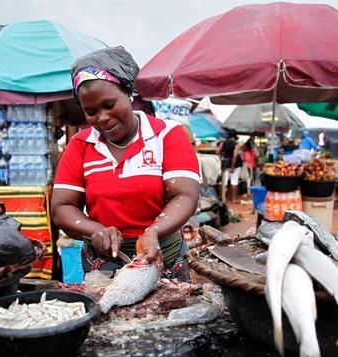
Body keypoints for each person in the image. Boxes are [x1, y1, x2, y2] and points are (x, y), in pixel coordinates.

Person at [50, 46, 200, 280]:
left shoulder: (166, 135)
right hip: (103, 265)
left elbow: (185, 195)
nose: (102, 118)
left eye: (109, 105)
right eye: (91, 112)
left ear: (129, 93)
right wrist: (95, 230)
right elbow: (61, 208)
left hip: (163, 258)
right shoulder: (80, 145)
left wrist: (154, 231)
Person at [217, 130, 242, 203]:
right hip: (235, 165)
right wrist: (232, 167)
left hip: (225, 164)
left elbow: (218, 152)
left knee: (223, 182)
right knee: (234, 181)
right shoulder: (236, 144)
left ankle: (222, 199)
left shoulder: (223, 143)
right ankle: (234, 199)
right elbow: (235, 156)